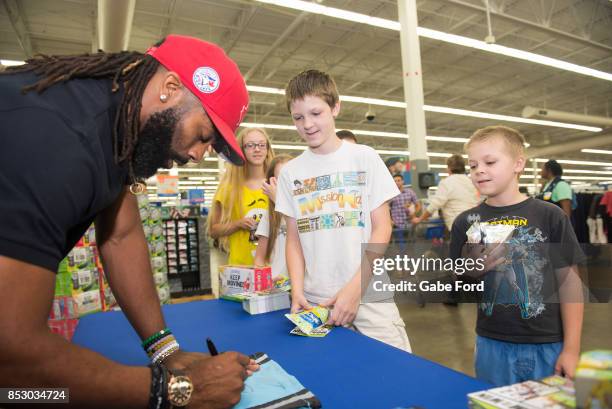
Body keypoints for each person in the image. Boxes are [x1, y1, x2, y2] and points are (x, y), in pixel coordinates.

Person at [0, 35, 258, 408]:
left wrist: (165, 350)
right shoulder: (59, 139)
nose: (199, 156)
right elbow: (12, 355)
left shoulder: (114, 128)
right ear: (170, 88)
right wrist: (174, 392)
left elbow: (121, 234)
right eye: (204, 136)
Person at [275, 69, 411, 352]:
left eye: (316, 113)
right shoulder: (291, 172)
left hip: (369, 291)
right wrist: (297, 290)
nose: (307, 125)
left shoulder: (365, 158)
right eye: (298, 118)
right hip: (316, 297)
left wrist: (355, 289)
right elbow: (293, 239)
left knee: (395, 368)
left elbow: (382, 227)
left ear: (335, 107)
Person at [450, 125, 584, 386]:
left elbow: (570, 283)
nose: (479, 170)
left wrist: (572, 348)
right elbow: (459, 288)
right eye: (473, 164)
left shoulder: (550, 216)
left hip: (548, 344)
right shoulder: (464, 223)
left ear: (518, 164)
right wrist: (470, 272)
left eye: (490, 161)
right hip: (491, 345)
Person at [208, 128, 275, 266]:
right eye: (250, 145)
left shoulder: (277, 183)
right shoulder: (229, 188)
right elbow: (213, 230)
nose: (257, 149)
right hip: (242, 270)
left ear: (267, 149)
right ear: (241, 150)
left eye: (262, 145)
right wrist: (237, 224)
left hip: (276, 268)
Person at [412, 154, 479, 231]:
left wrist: (420, 219)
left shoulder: (446, 182)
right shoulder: (471, 181)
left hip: (459, 225)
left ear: (449, 168)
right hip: (475, 223)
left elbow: (434, 205)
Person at [254, 154, 294, 276]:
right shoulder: (269, 216)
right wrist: (263, 279)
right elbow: (259, 259)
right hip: (276, 287)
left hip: (303, 287)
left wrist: (279, 201)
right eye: (280, 179)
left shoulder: (308, 211)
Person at [389, 173, 418, 254]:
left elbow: (418, 205)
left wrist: (414, 214)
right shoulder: (390, 194)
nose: (397, 182)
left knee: (411, 244)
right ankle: (403, 263)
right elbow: (387, 209)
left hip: (410, 223)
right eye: (395, 181)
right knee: (401, 246)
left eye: (399, 180)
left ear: (403, 181)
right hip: (397, 225)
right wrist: (390, 220)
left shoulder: (410, 192)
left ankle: (410, 262)